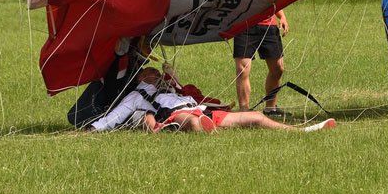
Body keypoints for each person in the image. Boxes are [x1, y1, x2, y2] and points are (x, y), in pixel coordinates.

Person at [85, 67, 335, 133]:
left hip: (201, 111)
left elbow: (183, 89)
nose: (158, 75)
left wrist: (172, 77)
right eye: (153, 73)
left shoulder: (171, 87)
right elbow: (114, 116)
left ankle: (301, 131)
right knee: (194, 124)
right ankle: (210, 135)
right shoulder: (136, 96)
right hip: (177, 117)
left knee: (256, 117)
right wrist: (93, 129)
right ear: (141, 78)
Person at [233, 9, 288, 115]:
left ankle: (270, 109)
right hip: (243, 26)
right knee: (242, 69)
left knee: (278, 69)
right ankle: (244, 111)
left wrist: (282, 16)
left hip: (269, 26)